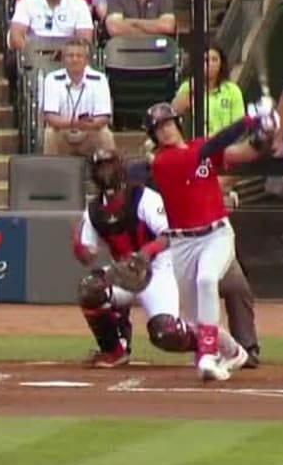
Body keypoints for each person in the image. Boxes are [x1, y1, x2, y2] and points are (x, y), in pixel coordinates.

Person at [144, 99, 275, 382]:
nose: (165, 131)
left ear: (177, 124)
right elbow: (214, 145)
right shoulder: (163, 161)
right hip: (183, 243)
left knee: (206, 281)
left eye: (168, 123)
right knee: (194, 319)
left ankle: (207, 355)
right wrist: (249, 118)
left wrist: (263, 134)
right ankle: (235, 352)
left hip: (216, 233)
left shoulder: (198, 147)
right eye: (158, 128)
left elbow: (244, 153)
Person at [72, 149, 196, 368]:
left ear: (120, 167)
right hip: (124, 273)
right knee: (90, 289)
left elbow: (168, 235)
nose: (106, 172)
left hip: (158, 269)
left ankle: (210, 342)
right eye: (100, 167)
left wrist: (145, 254)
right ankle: (114, 351)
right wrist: (79, 248)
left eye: (109, 166)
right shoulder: (94, 210)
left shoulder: (144, 197)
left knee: (165, 333)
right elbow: (87, 257)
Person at [41, 37, 114, 155]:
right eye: (70, 56)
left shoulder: (99, 79)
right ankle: (52, 171)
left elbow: (103, 117)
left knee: (105, 134)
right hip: (62, 130)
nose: (75, 60)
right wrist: (74, 123)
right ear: (63, 59)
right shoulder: (52, 79)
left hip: (90, 130)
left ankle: (107, 171)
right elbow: (50, 117)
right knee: (50, 134)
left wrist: (88, 125)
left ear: (86, 60)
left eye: (79, 56)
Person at [171, 43, 243, 135]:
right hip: (196, 143)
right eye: (206, 60)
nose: (210, 64)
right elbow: (174, 111)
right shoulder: (187, 86)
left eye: (215, 60)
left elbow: (238, 124)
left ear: (221, 63)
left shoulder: (232, 90)